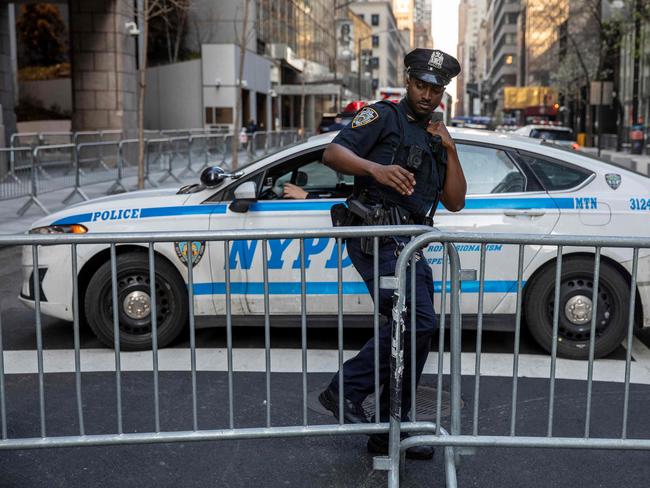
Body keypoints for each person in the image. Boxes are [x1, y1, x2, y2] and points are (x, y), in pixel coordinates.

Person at [318, 48, 467, 460]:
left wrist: (450, 150)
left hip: (411, 242)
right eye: (421, 85)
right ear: (408, 81)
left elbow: (455, 201)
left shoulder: (436, 136)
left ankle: (390, 430)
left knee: (416, 332)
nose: (427, 94)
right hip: (377, 235)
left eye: (436, 89)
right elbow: (332, 154)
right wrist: (375, 169)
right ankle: (345, 389)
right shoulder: (383, 116)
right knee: (417, 321)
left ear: (443, 93)